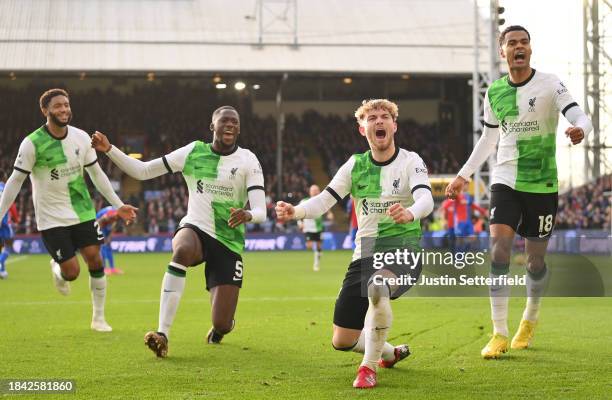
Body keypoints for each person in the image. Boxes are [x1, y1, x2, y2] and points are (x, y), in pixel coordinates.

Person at [445, 25, 593, 359]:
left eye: (524, 41)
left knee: (535, 261)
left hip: (541, 182)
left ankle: (530, 317)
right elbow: (488, 139)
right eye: (512, 43)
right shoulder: (494, 91)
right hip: (505, 178)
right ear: (503, 52)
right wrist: (463, 175)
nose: (519, 47)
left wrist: (578, 129)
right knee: (499, 248)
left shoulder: (550, 84)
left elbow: (581, 115)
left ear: (530, 48)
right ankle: (498, 332)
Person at [276, 99, 434, 389]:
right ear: (363, 129)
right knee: (342, 340)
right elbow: (324, 200)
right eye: (371, 118)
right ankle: (389, 352)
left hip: (403, 250)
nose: (379, 121)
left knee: (378, 287)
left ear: (394, 125)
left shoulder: (411, 161)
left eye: (385, 116)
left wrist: (410, 212)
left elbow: (426, 198)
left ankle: (368, 368)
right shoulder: (355, 165)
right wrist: (295, 211)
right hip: (365, 255)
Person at [91, 105, 266, 358]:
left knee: (222, 323)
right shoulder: (193, 152)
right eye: (224, 121)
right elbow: (143, 171)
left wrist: (248, 214)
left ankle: (221, 329)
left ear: (238, 129)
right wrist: (109, 149)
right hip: (197, 227)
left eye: (235, 122)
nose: (229, 125)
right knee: (182, 249)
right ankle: (162, 333)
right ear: (212, 126)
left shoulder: (248, 160)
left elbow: (261, 210)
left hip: (229, 241)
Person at [0, 88, 137, 331]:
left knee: (95, 259)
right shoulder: (32, 143)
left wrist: (118, 206)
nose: (64, 109)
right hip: (51, 218)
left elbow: (97, 174)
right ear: (45, 111)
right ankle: (58, 269)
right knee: (72, 272)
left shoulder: (81, 138)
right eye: (58, 106)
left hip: (82, 210)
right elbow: (15, 182)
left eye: (66, 104)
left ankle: (98, 318)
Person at [298, 184, 334, 271]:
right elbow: (298, 214)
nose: (315, 192)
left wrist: (330, 214)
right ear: (310, 192)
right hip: (308, 228)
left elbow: (328, 210)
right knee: (309, 246)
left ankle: (316, 263)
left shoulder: (321, 202)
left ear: (319, 191)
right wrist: (300, 223)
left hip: (319, 227)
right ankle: (317, 253)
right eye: (313, 190)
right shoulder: (304, 201)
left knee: (318, 245)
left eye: (316, 190)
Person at [0, 171, 20, 279]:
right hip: (3, 221)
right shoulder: (5, 188)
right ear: (3, 176)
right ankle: (0, 265)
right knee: (8, 245)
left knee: (1, 247)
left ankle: (2, 270)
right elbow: (11, 205)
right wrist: (16, 219)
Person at [96, 206, 123, 275]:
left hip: (106, 225)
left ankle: (112, 268)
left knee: (108, 246)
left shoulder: (117, 214)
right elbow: (99, 223)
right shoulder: (109, 213)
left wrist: (109, 237)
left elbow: (113, 226)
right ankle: (103, 268)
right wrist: (102, 237)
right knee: (103, 246)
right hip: (99, 225)